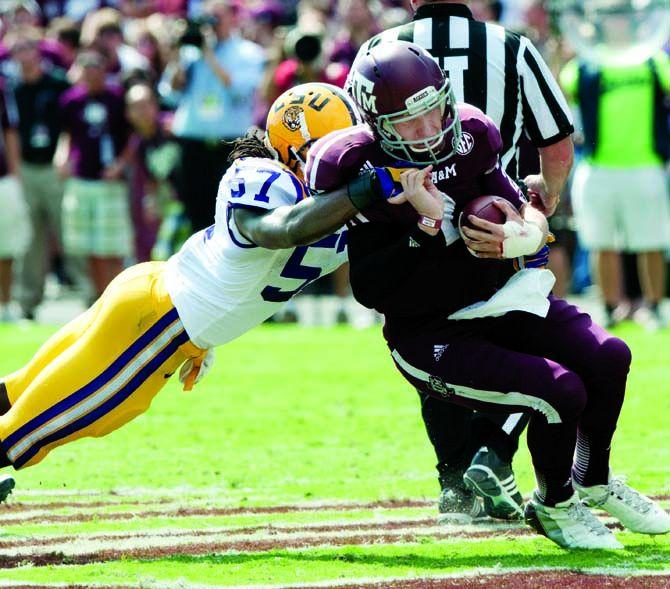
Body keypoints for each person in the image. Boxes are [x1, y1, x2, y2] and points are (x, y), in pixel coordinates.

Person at [307, 41, 669, 549]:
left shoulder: (472, 135)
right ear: (379, 125)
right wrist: (427, 222)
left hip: (499, 304)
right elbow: (371, 289)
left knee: (610, 355)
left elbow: (524, 208)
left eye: (434, 110)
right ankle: (557, 505)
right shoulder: (356, 168)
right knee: (559, 392)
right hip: (427, 333)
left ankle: (592, 479)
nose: (429, 129)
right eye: (409, 123)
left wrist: (525, 232)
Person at [0, 82, 397, 503]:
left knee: (24, 391)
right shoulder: (265, 176)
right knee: (44, 422)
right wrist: (367, 189)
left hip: (160, 306)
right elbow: (282, 230)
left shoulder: (339, 200)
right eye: (335, 148)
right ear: (294, 147)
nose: (349, 159)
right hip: (159, 320)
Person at [346, 0, 575, 521]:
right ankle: (492, 456)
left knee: (433, 341)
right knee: (521, 336)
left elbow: (353, 141)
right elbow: (556, 145)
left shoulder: (375, 51)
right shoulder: (510, 46)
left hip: (411, 222)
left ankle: (456, 481)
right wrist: (543, 205)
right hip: (496, 225)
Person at [560, 45, 670, 330]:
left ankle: (654, 308)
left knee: (651, 242)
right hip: (598, 166)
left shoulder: (653, 60)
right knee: (601, 242)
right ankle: (611, 308)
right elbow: (562, 87)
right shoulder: (586, 62)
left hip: (646, 164)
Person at [54, 48, 132, 302]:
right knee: (88, 245)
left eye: (96, 71)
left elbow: (133, 136)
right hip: (82, 178)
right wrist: (62, 157)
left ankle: (118, 295)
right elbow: (67, 134)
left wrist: (121, 164)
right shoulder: (71, 101)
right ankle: (100, 296)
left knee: (112, 244)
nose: (91, 78)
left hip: (110, 181)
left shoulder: (117, 98)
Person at [7, 26, 71, 321]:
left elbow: (71, 124)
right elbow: (11, 132)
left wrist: (64, 155)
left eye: (28, 48)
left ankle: (89, 296)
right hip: (27, 169)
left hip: (54, 167)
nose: (23, 55)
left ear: (38, 50)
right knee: (30, 240)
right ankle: (27, 303)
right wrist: (16, 169)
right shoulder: (11, 88)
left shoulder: (58, 83)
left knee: (68, 233)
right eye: (17, 50)